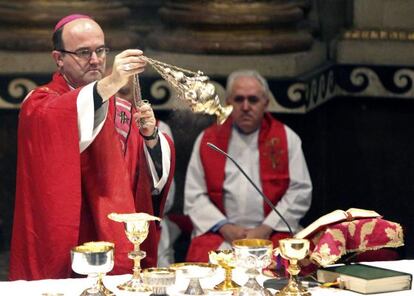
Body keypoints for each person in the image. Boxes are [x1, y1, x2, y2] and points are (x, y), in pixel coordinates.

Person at [9, 14, 175, 280]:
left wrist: (151, 138)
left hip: (113, 235)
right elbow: (61, 120)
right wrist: (110, 83)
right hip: (67, 236)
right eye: (84, 52)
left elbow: (144, 180)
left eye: (100, 50)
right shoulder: (40, 103)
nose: (96, 60)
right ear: (58, 58)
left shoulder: (121, 109)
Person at [184, 69, 312, 262]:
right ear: (228, 103)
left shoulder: (286, 138)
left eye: (253, 100)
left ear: (266, 103)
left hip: (271, 232)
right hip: (222, 234)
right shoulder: (209, 140)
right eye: (238, 99)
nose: (245, 107)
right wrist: (225, 227)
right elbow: (194, 195)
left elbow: (300, 191)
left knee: (287, 266)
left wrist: (265, 228)